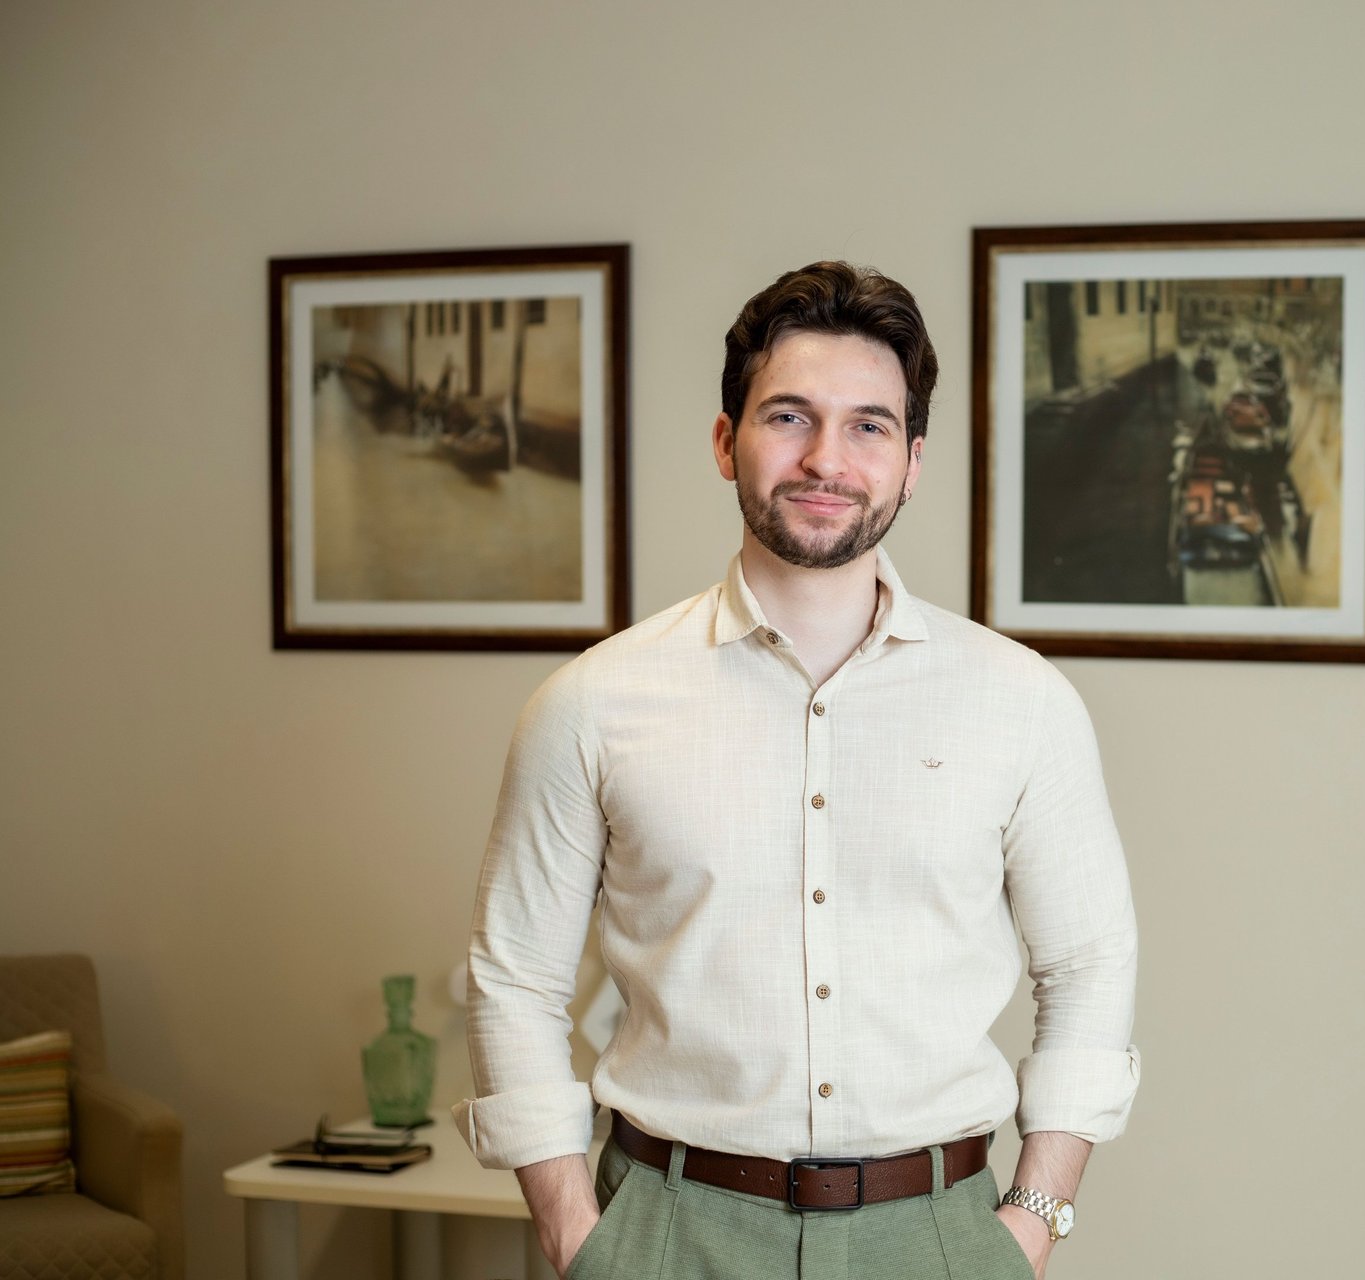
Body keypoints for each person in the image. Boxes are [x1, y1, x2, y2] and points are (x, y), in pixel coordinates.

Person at [455, 261, 1140, 1280]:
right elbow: (513, 981)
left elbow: (1087, 967)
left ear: (911, 462)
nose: (827, 457)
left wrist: (1032, 1220)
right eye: (789, 416)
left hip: (939, 1237)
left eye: (868, 425)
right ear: (727, 440)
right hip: (665, 1233)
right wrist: (574, 1233)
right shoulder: (590, 705)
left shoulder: (1023, 702)